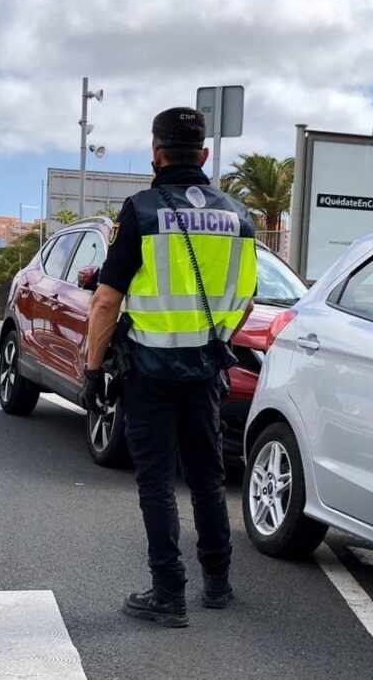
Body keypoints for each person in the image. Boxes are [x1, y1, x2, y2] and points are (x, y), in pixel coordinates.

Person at [79, 107, 258, 628]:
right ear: (203, 155)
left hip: (150, 371)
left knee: (156, 480)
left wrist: (93, 370)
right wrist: (214, 338)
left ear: (156, 155)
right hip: (206, 368)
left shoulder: (140, 211)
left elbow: (106, 301)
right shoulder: (239, 216)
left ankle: (168, 592)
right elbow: (246, 299)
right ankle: (219, 583)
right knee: (206, 475)